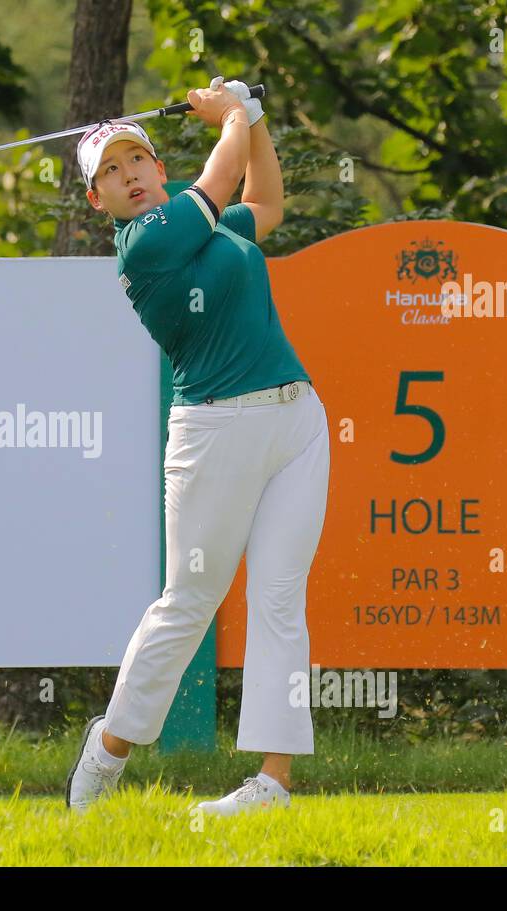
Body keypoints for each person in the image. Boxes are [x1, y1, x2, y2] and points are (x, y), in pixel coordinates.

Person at [65, 78, 331, 815]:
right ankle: (109, 750)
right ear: (100, 202)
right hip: (216, 433)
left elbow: (268, 203)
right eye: (110, 175)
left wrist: (258, 120)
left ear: (157, 166)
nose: (129, 178)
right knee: (190, 601)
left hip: (297, 421)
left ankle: (273, 784)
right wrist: (233, 114)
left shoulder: (206, 228)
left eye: (136, 161)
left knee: (280, 600)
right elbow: (220, 176)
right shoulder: (147, 244)